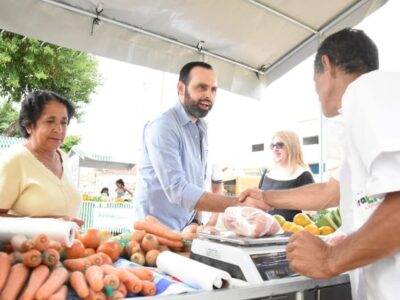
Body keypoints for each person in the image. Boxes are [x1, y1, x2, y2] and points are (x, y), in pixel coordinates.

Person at [240, 28, 400, 300]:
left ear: (326, 65)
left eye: (314, 80)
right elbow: (330, 192)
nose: (315, 90)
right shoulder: (369, 111)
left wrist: (330, 258)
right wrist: (266, 196)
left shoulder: (366, 90)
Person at [135, 61, 267, 230]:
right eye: (201, 88)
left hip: (185, 230)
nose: (209, 95)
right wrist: (239, 203)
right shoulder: (163, 126)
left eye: (213, 90)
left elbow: (197, 184)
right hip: (153, 234)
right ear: (181, 88)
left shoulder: (201, 128)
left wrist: (196, 222)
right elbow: (178, 189)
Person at [0, 90, 83, 226]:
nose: (59, 129)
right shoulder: (14, 160)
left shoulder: (63, 157)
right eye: (50, 121)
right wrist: (52, 223)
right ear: (29, 126)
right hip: (28, 246)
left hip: (66, 246)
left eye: (64, 122)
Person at [259, 130, 314, 221]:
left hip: (290, 233)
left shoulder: (303, 175)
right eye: (273, 146)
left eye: (280, 145)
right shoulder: (267, 173)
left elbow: (310, 214)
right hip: (265, 232)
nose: (275, 149)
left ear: (292, 147)